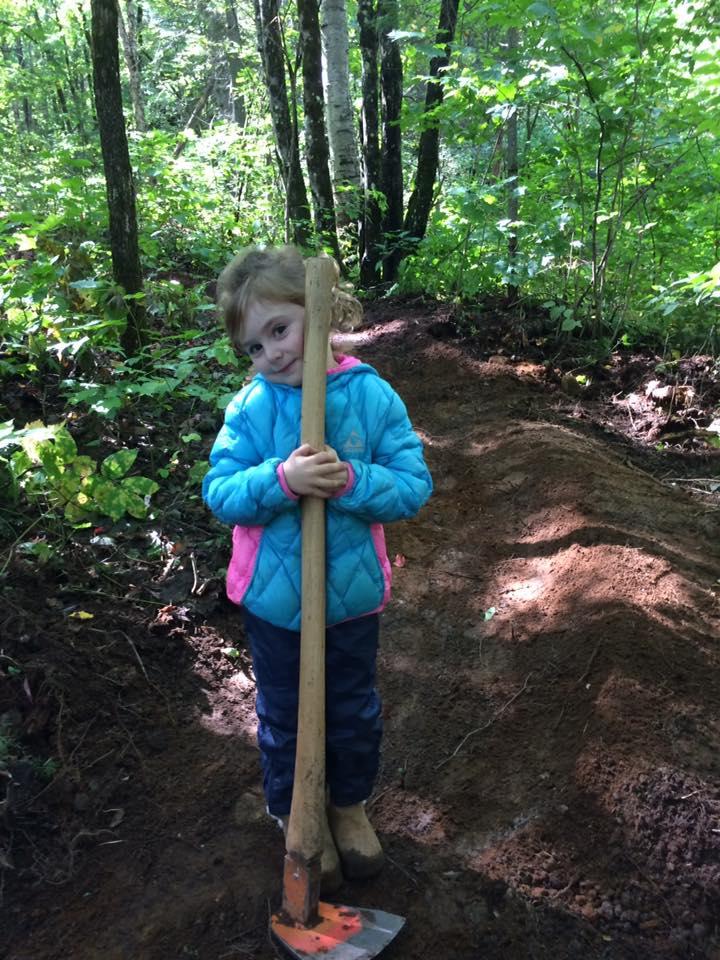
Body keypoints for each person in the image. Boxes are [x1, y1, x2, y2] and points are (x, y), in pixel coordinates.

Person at [203, 246, 432, 892]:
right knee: (282, 714)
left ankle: (348, 807)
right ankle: (295, 816)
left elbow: (413, 485)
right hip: (276, 607)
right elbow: (220, 492)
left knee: (352, 710)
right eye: (253, 346)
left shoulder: (371, 396)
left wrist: (349, 481)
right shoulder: (251, 408)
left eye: (280, 330)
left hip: (350, 600)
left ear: (322, 310)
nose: (271, 354)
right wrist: (282, 479)